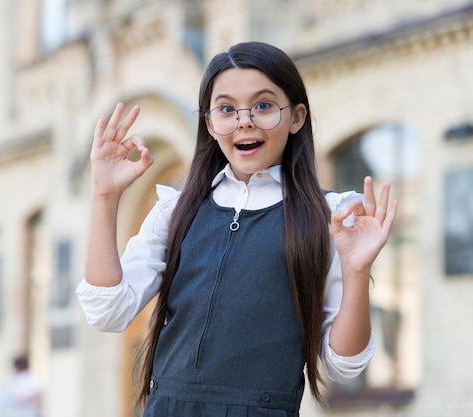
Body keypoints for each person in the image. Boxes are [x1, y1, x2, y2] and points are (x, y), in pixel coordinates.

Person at [77, 41, 398, 416]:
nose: (244, 120)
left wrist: (357, 270)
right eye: (227, 109)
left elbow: (342, 364)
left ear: (296, 118)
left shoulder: (328, 217)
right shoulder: (175, 211)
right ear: (210, 124)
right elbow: (108, 312)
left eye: (263, 105)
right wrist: (105, 196)